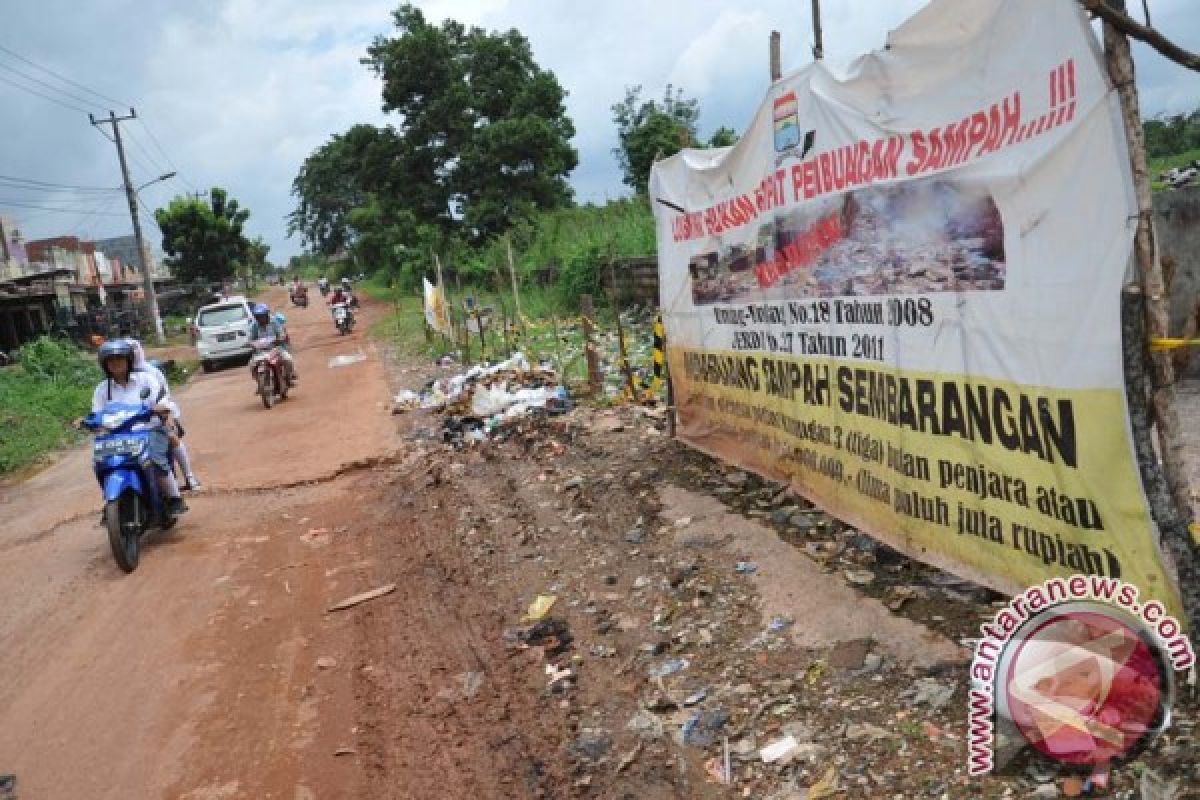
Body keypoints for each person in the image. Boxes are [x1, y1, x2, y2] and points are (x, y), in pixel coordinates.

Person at [90, 340, 187, 515]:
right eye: (110, 360)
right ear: (105, 364)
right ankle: (110, 500)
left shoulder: (146, 379)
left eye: (120, 358)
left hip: (149, 430)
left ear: (128, 359)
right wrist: (88, 421)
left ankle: (174, 498)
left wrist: (160, 407)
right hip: (116, 436)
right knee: (99, 462)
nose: (115, 363)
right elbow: (97, 412)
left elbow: (162, 399)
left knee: (155, 459)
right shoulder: (102, 389)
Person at [127, 339, 201, 491]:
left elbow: (164, 396)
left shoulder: (152, 372)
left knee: (172, 438)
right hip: (128, 422)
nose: (133, 353)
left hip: (155, 417)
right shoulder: (114, 379)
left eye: (135, 349)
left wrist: (164, 414)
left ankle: (189, 476)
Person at [249, 303, 296, 385]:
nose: (260, 318)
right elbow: (251, 338)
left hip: (276, 349)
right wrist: (251, 343)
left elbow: (281, 333)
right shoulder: (254, 326)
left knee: (288, 359)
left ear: (266, 314)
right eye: (258, 316)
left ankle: (289, 377)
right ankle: (260, 383)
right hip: (261, 352)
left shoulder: (274, 322)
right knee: (252, 365)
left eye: (262, 316)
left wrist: (280, 338)